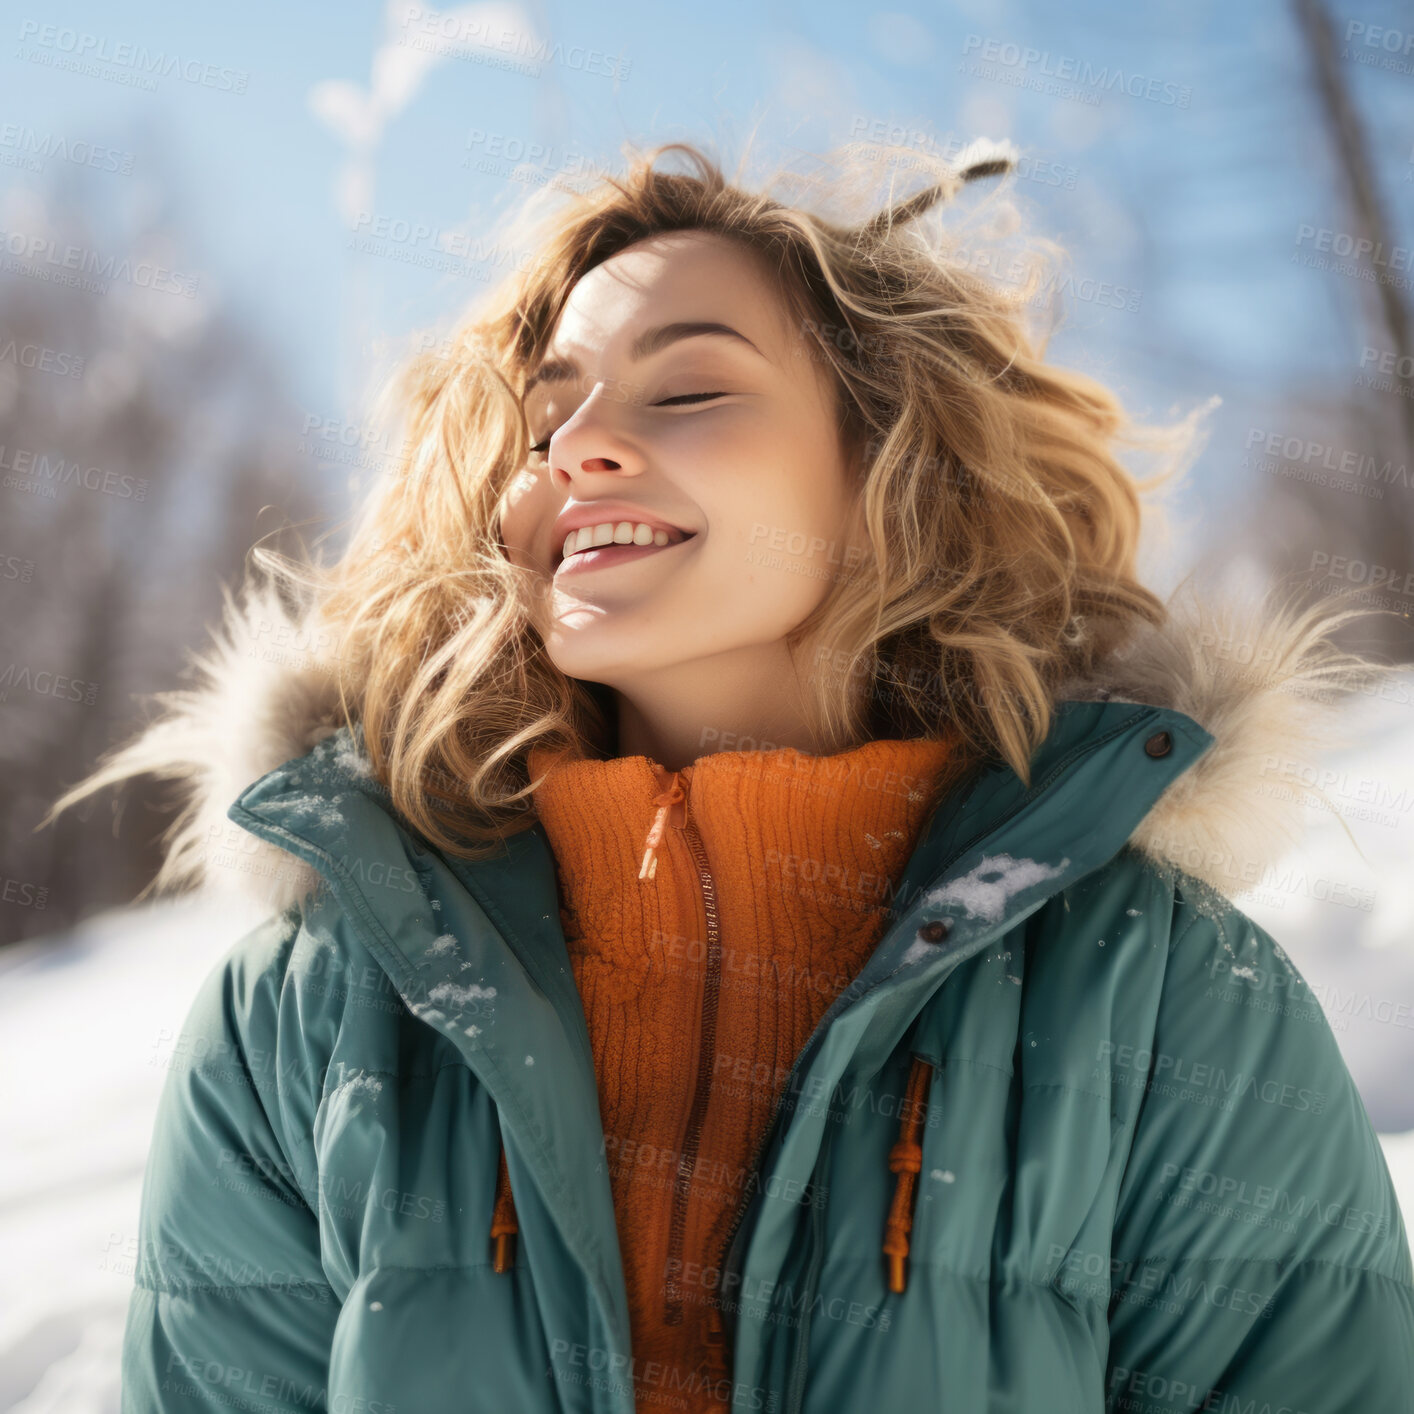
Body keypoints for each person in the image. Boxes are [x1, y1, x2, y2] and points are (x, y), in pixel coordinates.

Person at [48, 138, 1414, 1413]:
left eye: (688, 386)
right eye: (542, 419)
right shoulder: (312, 1013)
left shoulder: (1160, 991)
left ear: (892, 475)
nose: (574, 444)